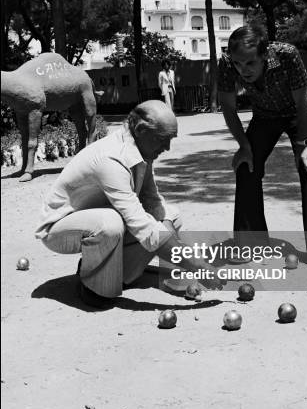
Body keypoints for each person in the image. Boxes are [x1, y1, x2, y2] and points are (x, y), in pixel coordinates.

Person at [35, 100, 221, 308]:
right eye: (163, 140)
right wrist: (197, 266)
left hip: (97, 220)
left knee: (171, 215)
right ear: (141, 130)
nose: (167, 148)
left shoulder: (141, 150)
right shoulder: (111, 159)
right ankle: (92, 287)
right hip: (58, 230)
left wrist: (183, 261)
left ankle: (117, 276)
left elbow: (152, 202)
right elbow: (141, 224)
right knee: (110, 224)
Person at [217, 24, 307, 270]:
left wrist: (304, 144)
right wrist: (244, 145)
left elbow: (302, 101)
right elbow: (228, 108)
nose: (243, 70)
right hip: (265, 115)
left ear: (264, 56)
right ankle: (250, 243)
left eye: (249, 63)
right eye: (238, 64)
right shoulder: (227, 62)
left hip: (299, 113)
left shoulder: (287, 55)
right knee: (246, 166)